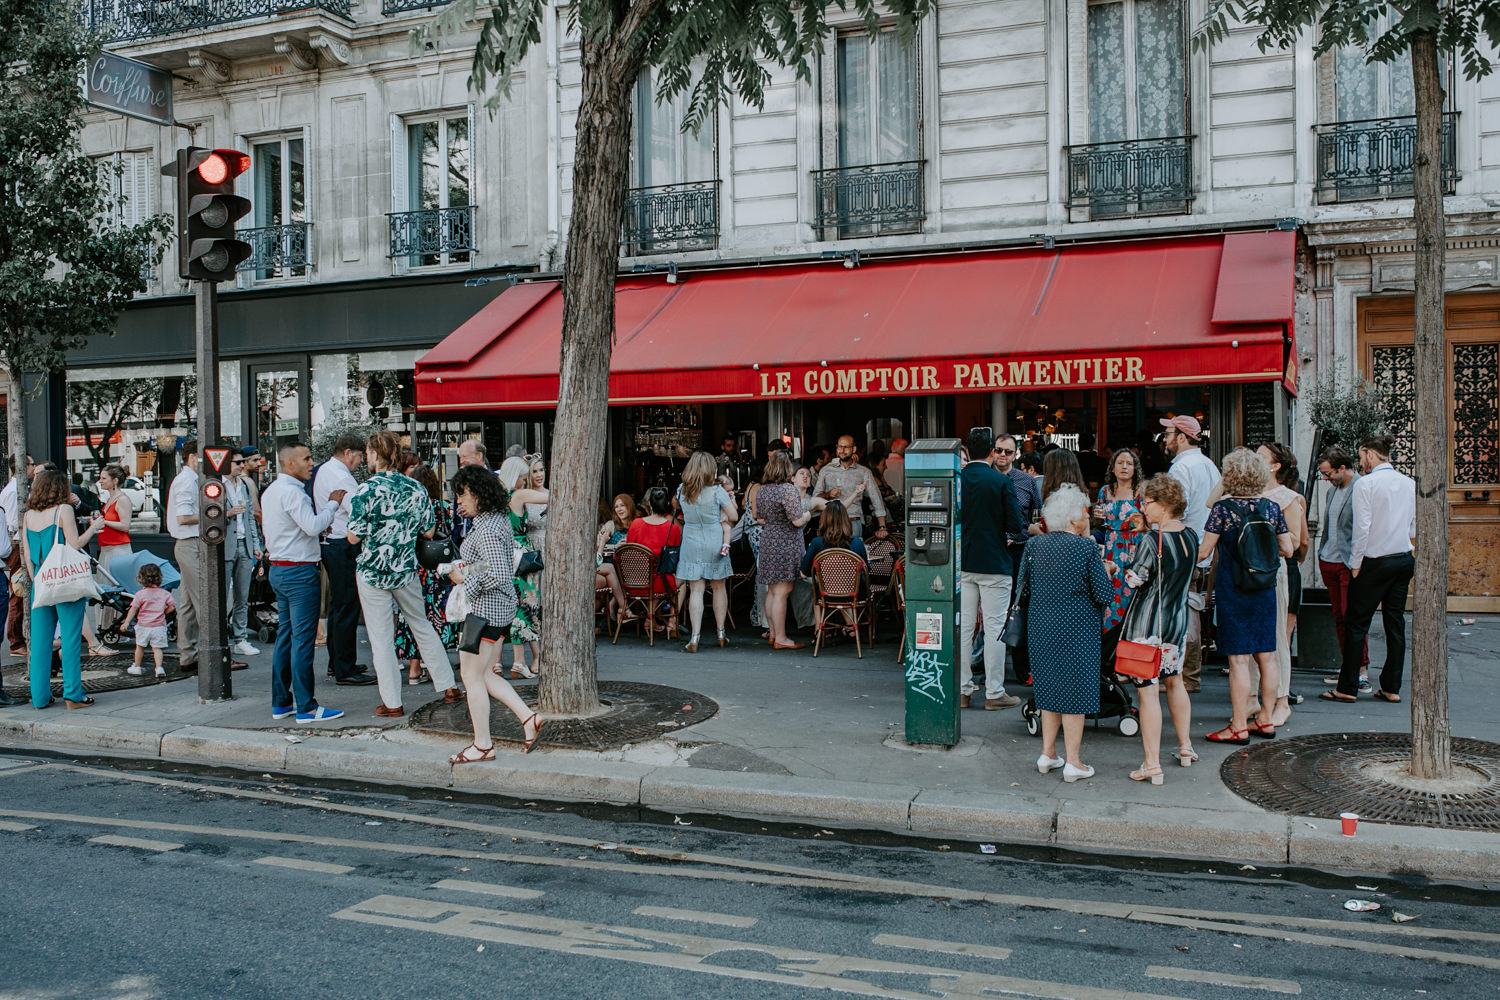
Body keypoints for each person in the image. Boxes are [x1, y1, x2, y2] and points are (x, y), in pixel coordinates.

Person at [347, 432, 460, 718]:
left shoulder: (365, 490)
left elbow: (352, 537)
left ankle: (393, 702)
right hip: (406, 568)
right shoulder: (415, 488)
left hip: (373, 571)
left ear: (374, 455)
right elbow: (428, 532)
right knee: (421, 625)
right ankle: (448, 685)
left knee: (381, 637)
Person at [446, 464, 544, 763]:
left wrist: (466, 579)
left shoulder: (486, 527)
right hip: (498, 611)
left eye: (462, 494)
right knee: (484, 674)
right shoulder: (497, 519)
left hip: (483, 613)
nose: (458, 501)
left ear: (477, 493)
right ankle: (529, 719)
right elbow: (497, 563)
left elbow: (499, 572)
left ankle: (483, 745)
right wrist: (469, 571)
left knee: (471, 677)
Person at [1017, 485, 1113, 783]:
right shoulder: (1085, 548)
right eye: (1084, 512)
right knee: (1076, 692)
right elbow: (1103, 594)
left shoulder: (1034, 546)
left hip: (1040, 625)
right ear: (1073, 518)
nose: (1087, 516)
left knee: (1047, 689)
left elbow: (1024, 587)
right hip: (1077, 627)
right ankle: (1073, 762)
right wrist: (1107, 570)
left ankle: (1047, 753)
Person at [1199, 448, 1294, 743]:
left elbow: (1204, 551)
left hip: (1234, 589)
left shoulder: (1222, 511)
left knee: (1239, 660)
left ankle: (1238, 724)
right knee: (1267, 657)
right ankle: (1265, 718)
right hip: (1264, 588)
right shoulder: (1271, 507)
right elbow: (1288, 550)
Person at [1112, 474, 1198, 782]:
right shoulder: (1190, 536)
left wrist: (1116, 568)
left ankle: (1151, 763)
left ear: (1162, 504)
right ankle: (1186, 747)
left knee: (1147, 692)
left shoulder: (1151, 540)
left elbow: (1136, 580)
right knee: (1175, 682)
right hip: (1176, 624)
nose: (1143, 508)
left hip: (1147, 626)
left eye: (1147, 503)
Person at [1325, 435, 1415, 705]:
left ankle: (1348, 687)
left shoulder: (1366, 484)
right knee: (1395, 623)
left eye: (1362, 455)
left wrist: (1355, 563)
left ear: (1371, 455)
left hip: (1374, 561)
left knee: (1356, 623)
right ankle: (1391, 686)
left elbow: (1361, 528)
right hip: (1402, 558)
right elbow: (1412, 526)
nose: (1360, 461)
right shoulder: (1408, 483)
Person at [263, 442, 347, 723]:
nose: (312, 463)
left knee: (286, 637)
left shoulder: (272, 491)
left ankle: (281, 702)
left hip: (279, 569)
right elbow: (311, 526)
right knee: (302, 641)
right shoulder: (293, 493)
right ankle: (307, 707)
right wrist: (333, 503)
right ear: (290, 464)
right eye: (306, 459)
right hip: (299, 572)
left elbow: (299, 527)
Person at [22, 469, 104, 709]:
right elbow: (75, 543)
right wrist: (94, 527)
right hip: (65, 582)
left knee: (39, 643)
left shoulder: (28, 516)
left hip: (41, 582)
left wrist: (37, 579)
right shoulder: (63, 510)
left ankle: (39, 697)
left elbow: (27, 556)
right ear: (58, 489)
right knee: (70, 639)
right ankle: (73, 695)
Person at [958, 427, 1024, 711]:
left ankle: (961, 688)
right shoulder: (1000, 481)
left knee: (964, 628)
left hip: (964, 561)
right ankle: (994, 692)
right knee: (995, 628)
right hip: (995, 562)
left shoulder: (957, 480)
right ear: (990, 452)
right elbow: (1015, 525)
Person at [1161, 414, 1221, 694]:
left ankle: (1186, 677)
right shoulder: (1209, 466)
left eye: (1169, 433)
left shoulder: (1181, 469)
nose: (1165, 438)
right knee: (1192, 611)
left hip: (1183, 550)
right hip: (1203, 549)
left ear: (1182, 437)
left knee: (1180, 615)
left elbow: (1174, 511)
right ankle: (1190, 675)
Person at [315, 434, 374, 686]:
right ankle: (345, 668)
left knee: (340, 606)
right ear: (349, 452)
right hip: (342, 543)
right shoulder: (340, 476)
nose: (361, 462)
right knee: (347, 605)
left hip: (331, 543)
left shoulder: (325, 470)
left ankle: (336, 662)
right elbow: (356, 511)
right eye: (360, 456)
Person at [395, 464, 461, 683]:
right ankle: (436, 667)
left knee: (415, 616)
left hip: (417, 567)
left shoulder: (409, 506)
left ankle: (414, 668)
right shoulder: (442, 506)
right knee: (437, 617)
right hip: (439, 569)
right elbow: (451, 531)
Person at [1258, 442, 1308, 726]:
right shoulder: (1246, 492)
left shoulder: (1289, 497)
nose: (1254, 457)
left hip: (1281, 569)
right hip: (1256, 570)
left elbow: (1297, 541)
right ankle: (1258, 698)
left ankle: (1281, 699)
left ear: (1275, 466)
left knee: (1279, 639)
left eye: (1260, 456)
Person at [1315, 447, 1369, 690]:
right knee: (1338, 617)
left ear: (1342, 468)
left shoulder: (1361, 487)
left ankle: (1361, 668)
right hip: (1329, 560)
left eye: (1328, 474)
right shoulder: (1331, 492)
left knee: (1352, 617)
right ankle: (1347, 665)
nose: (1326, 479)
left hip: (1349, 563)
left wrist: (1358, 562)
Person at [675, 452, 739, 652]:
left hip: (691, 539)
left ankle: (695, 637)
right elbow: (734, 516)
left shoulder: (681, 490)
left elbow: (678, 511)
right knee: (718, 587)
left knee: (696, 590)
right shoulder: (717, 491)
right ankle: (721, 633)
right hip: (714, 538)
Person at [497, 455, 549, 678]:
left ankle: (514, 661)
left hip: (506, 554)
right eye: (524, 475)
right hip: (522, 555)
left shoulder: (499, 498)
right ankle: (520, 661)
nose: (527, 478)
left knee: (515, 604)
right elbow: (551, 497)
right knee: (526, 605)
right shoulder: (518, 495)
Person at [757, 451, 813, 650]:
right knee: (783, 591)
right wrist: (808, 514)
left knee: (772, 590)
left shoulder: (762, 490)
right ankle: (781, 638)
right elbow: (797, 520)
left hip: (768, 539)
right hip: (786, 542)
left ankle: (773, 633)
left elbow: (759, 518)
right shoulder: (788, 490)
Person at [1095, 448, 1144, 640]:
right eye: (1120, 463)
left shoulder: (1140, 492)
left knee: (1131, 595)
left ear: (1135, 469)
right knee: (1109, 598)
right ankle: (1109, 649)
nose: (1125, 467)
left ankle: (1129, 646)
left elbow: (1149, 524)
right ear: (1113, 468)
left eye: (1129, 463)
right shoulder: (1104, 491)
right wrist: (1097, 516)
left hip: (1133, 549)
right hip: (1110, 549)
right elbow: (1100, 524)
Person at [626, 486, 683, 636]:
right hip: (658, 582)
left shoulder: (636, 524)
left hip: (633, 581)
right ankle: (672, 620)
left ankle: (651, 618)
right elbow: (674, 556)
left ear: (649, 504)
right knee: (683, 582)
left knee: (657, 577)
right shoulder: (672, 528)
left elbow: (628, 550)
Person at [166, 439, 203, 672]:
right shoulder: (186, 481)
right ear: (192, 457)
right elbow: (183, 517)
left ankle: (188, 655)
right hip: (190, 543)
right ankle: (213, 652)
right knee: (205, 600)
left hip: (190, 543)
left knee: (189, 603)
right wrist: (214, 514)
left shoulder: (191, 480)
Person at [812, 435, 889, 540]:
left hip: (854, 522)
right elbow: (815, 498)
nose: (842, 450)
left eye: (846, 447)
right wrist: (828, 495)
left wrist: (882, 526)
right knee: (832, 556)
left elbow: (876, 498)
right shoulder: (826, 470)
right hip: (831, 523)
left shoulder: (864, 472)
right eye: (839, 447)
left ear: (854, 449)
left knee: (854, 555)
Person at [224, 454, 263, 658]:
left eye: (242, 462)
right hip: (225, 545)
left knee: (242, 595)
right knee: (221, 597)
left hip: (244, 544)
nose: (241, 466)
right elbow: (208, 515)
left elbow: (249, 517)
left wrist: (255, 544)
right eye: (237, 462)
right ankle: (221, 639)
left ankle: (240, 638)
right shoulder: (217, 485)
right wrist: (227, 513)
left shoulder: (245, 485)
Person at [94, 464, 134, 631]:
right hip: (107, 549)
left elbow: (125, 525)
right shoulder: (110, 499)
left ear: (114, 480)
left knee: (116, 590)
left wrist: (102, 521)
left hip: (118, 550)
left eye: (104, 478)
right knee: (107, 591)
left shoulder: (122, 499)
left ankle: (117, 625)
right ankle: (109, 625)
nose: (100, 481)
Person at [2, 454, 34, 659]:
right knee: (18, 591)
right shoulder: (13, 492)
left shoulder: (18, 489)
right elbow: (12, 523)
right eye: (31, 464)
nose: (33, 468)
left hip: (17, 544)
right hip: (15, 545)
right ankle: (15, 640)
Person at [123, 563, 174, 678]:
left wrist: (126, 622)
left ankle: (137, 667)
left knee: (140, 647)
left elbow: (133, 609)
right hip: (159, 626)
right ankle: (159, 668)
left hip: (143, 625)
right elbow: (171, 607)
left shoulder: (140, 594)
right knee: (157, 649)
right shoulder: (165, 593)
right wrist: (163, 613)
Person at [594, 494, 634, 623]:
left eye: (622, 505)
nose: (619, 509)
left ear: (630, 506)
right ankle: (622, 608)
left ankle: (615, 605)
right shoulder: (611, 525)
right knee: (613, 570)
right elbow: (598, 546)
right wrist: (614, 546)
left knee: (615, 573)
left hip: (633, 568)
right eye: (616, 506)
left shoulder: (637, 525)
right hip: (611, 565)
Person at [451, 438, 488, 547]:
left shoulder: (494, 480)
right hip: (461, 540)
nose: (461, 461)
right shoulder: (461, 480)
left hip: (484, 540)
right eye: (460, 457)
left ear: (479, 456)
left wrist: (476, 511)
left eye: (465, 456)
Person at [525, 454, 548, 553]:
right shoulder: (523, 496)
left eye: (541, 470)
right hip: (531, 547)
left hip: (551, 545)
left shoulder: (553, 494)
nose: (539, 475)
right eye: (534, 471)